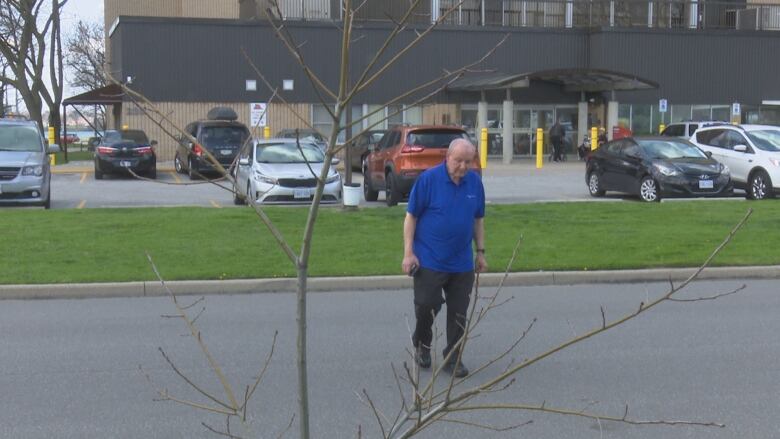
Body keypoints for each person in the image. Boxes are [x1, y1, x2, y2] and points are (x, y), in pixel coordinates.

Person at [402, 138, 488, 378]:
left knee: (459, 312)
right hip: (429, 259)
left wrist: (480, 252)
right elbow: (411, 218)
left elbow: (478, 220)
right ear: (447, 157)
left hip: (461, 262)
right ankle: (422, 343)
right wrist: (409, 253)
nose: (462, 166)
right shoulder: (429, 180)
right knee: (427, 306)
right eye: (458, 161)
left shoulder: (475, 184)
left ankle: (453, 357)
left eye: (467, 162)